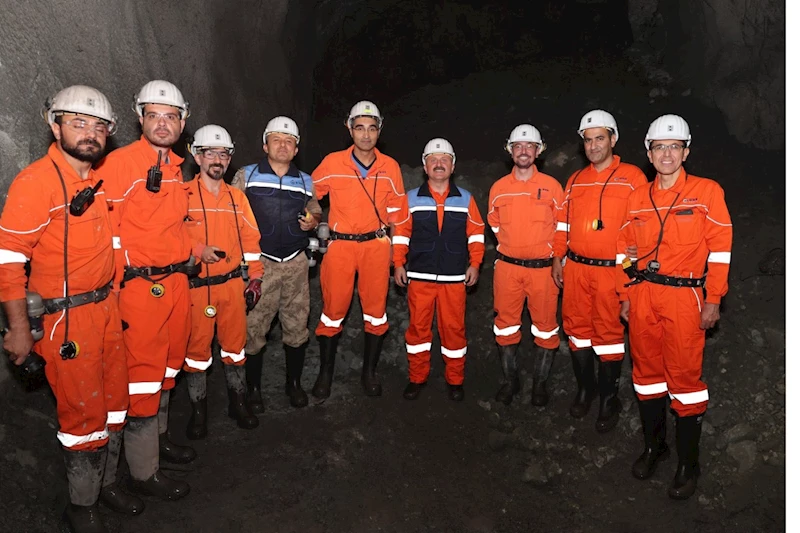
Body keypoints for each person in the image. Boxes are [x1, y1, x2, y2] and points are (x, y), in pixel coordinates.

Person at [0, 85, 137, 531]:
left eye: (99, 126)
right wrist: (19, 328)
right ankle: (82, 505)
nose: (90, 134)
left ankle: (107, 483)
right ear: (53, 124)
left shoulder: (93, 183)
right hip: (66, 319)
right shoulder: (36, 182)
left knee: (116, 403)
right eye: (78, 123)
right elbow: (8, 261)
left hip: (104, 310)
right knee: (83, 416)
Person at [617, 114, 732, 500]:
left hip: (685, 297)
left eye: (674, 146)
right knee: (646, 375)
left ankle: (688, 462)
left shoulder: (707, 192)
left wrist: (714, 298)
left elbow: (719, 250)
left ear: (686, 150)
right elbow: (625, 252)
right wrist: (626, 294)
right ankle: (654, 447)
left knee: (685, 379)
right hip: (644, 294)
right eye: (659, 147)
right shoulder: (636, 199)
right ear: (648, 153)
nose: (666, 154)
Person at [97, 79, 197, 501]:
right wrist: (117, 287)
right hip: (141, 287)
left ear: (182, 122)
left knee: (169, 368)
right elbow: (106, 229)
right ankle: (143, 471)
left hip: (176, 282)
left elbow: (171, 227)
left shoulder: (176, 168)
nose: (162, 123)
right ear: (139, 118)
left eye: (170, 116)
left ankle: (157, 443)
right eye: (153, 115)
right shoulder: (121, 163)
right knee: (142, 379)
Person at [552, 110, 647, 432]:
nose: (593, 146)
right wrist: (557, 257)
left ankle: (609, 398)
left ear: (613, 139)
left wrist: (632, 274)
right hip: (577, 269)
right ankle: (585, 389)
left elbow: (642, 226)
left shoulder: (633, 177)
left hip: (612, 270)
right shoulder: (576, 180)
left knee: (608, 337)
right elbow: (563, 223)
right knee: (576, 332)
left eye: (600, 138)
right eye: (588, 140)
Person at [310, 101, 405, 398]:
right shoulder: (332, 162)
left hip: (376, 246)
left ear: (380, 131)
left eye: (372, 128)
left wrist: (397, 257)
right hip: (340, 246)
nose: (365, 135)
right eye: (359, 128)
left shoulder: (390, 166)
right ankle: (325, 374)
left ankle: (369, 373)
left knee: (376, 314)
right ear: (349, 128)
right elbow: (311, 195)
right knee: (332, 312)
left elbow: (398, 215)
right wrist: (312, 218)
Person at [231, 116, 322, 411]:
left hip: (295, 263)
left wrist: (313, 221)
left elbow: (315, 212)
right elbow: (231, 215)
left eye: (289, 141)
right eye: (277, 140)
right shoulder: (247, 175)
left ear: (296, 149)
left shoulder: (306, 180)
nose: (283, 146)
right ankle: (254, 389)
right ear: (265, 144)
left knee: (297, 325)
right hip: (261, 264)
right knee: (253, 328)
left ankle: (293, 384)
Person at [182, 125, 264, 439]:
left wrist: (255, 279)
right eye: (211, 153)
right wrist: (196, 251)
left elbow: (251, 241)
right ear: (198, 156)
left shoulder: (237, 198)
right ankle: (198, 412)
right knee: (195, 353)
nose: (218, 159)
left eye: (223, 154)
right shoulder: (182, 196)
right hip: (196, 289)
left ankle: (238, 403)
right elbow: (169, 239)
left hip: (231, 285)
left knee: (235, 349)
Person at [392, 138, 485, 401]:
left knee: (453, 329)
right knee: (418, 330)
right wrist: (398, 263)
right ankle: (416, 378)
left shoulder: (466, 199)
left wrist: (475, 264)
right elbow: (401, 234)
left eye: (444, 159)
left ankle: (455, 380)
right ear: (425, 165)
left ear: (453, 165)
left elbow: (476, 235)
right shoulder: (410, 199)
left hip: (454, 277)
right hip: (419, 275)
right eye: (433, 159)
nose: (439, 164)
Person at [488, 124, 564, 406]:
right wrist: (513, 246)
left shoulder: (552, 186)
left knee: (545, 328)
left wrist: (554, 256)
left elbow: (562, 227)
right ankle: (511, 381)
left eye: (529, 146)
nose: (523, 151)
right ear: (510, 150)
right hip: (508, 269)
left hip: (543, 270)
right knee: (505, 327)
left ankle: (539, 385)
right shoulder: (498, 188)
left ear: (538, 150)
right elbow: (494, 222)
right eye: (518, 146)